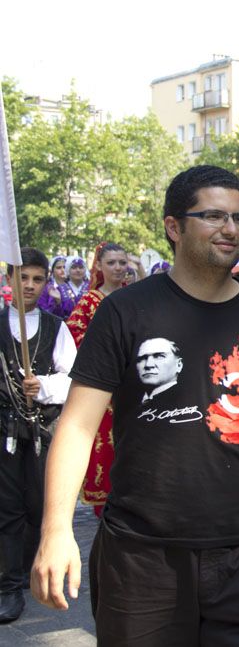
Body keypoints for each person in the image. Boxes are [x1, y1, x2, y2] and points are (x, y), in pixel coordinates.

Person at [31, 164, 239, 645]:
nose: (231, 229)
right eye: (215, 216)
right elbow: (76, 426)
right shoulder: (125, 311)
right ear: (173, 227)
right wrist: (56, 529)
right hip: (142, 559)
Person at [0, 249, 75, 624]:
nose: (29, 285)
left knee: (38, 504)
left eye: (37, 279)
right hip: (3, 432)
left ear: (46, 282)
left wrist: (43, 385)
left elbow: (73, 378)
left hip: (42, 430)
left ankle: (35, 568)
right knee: (7, 508)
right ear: (9, 279)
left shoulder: (55, 327)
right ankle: (8, 584)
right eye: (22, 277)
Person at [65, 242, 128, 515]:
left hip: (134, 390)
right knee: (104, 451)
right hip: (103, 392)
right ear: (99, 266)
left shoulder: (135, 297)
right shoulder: (89, 301)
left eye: (122, 262)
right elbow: (74, 337)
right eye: (111, 262)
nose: (117, 268)